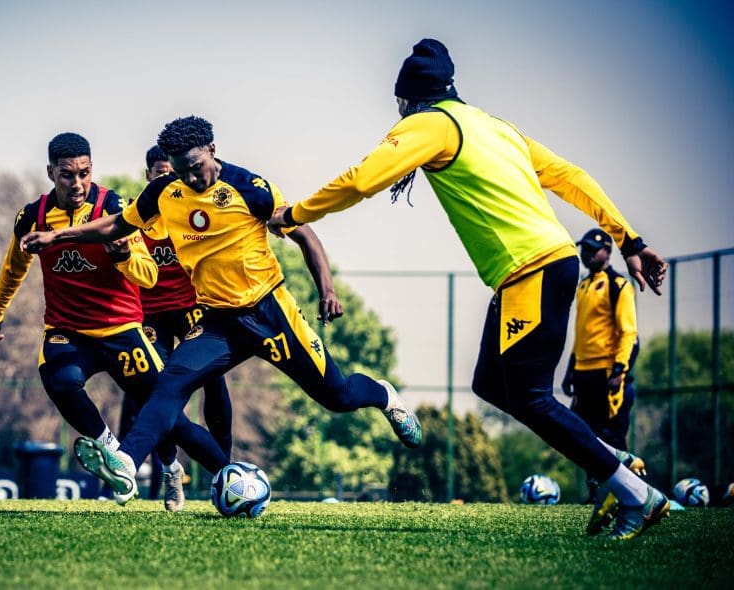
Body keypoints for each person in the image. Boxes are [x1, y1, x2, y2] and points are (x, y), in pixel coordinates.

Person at [267, 39, 670, 540]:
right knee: (489, 383)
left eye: (398, 104)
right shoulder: (493, 125)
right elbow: (572, 177)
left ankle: (637, 495)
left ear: (409, 96)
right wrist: (629, 238)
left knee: (531, 397)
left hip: (532, 269)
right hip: (540, 267)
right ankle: (613, 458)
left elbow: (362, 179)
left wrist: (296, 213)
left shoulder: (429, 124)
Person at [20, 116, 422, 505]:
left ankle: (385, 396)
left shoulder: (250, 187)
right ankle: (126, 462)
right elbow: (115, 226)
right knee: (166, 388)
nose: (190, 178)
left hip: (270, 313)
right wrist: (56, 235)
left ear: (212, 150)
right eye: (181, 171)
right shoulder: (164, 192)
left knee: (337, 395)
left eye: (195, 167)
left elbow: (303, 232)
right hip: (218, 323)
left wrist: (327, 288)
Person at [0, 133, 225, 505]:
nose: (76, 183)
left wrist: (123, 255)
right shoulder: (33, 217)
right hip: (68, 332)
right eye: (66, 175)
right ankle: (112, 451)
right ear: (51, 173)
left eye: (84, 173)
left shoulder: (115, 208)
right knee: (58, 378)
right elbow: (12, 269)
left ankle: (219, 473)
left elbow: (148, 275)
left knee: (169, 416)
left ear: (91, 170)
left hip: (122, 331)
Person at [115, 145, 234, 511]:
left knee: (214, 381)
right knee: (153, 391)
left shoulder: (191, 205)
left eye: (173, 172)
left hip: (194, 308)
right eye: (160, 173)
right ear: (148, 174)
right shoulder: (136, 213)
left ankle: (226, 472)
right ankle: (170, 469)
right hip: (150, 314)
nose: (167, 179)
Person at [563, 229, 644, 502]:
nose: (586, 254)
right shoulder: (583, 286)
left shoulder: (618, 284)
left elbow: (628, 332)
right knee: (586, 437)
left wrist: (620, 370)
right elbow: (582, 333)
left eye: (591, 249)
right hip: (583, 374)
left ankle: (626, 495)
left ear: (607, 251)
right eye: (583, 249)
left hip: (607, 374)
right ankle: (596, 494)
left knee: (612, 438)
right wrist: (570, 370)